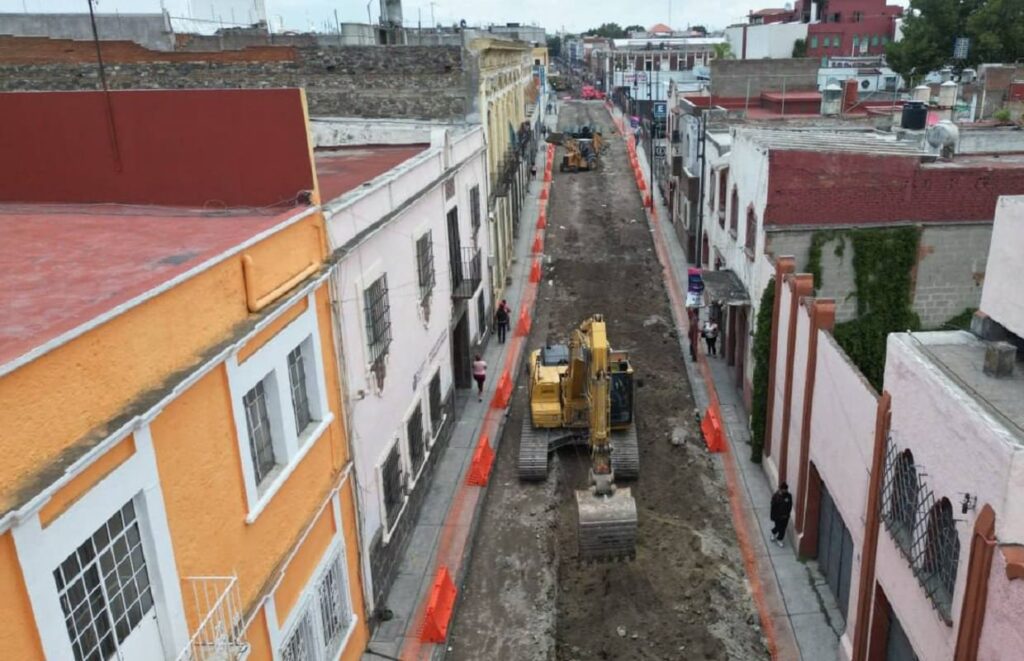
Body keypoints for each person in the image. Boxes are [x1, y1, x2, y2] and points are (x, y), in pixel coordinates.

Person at [770, 483, 794, 548]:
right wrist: (773, 516)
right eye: (783, 489)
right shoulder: (776, 496)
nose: (785, 491)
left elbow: (790, 506)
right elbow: (773, 506)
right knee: (778, 527)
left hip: (785, 516)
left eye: (785, 489)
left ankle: (779, 539)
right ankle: (773, 532)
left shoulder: (788, 496)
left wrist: (787, 514)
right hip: (777, 516)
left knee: (783, 529)